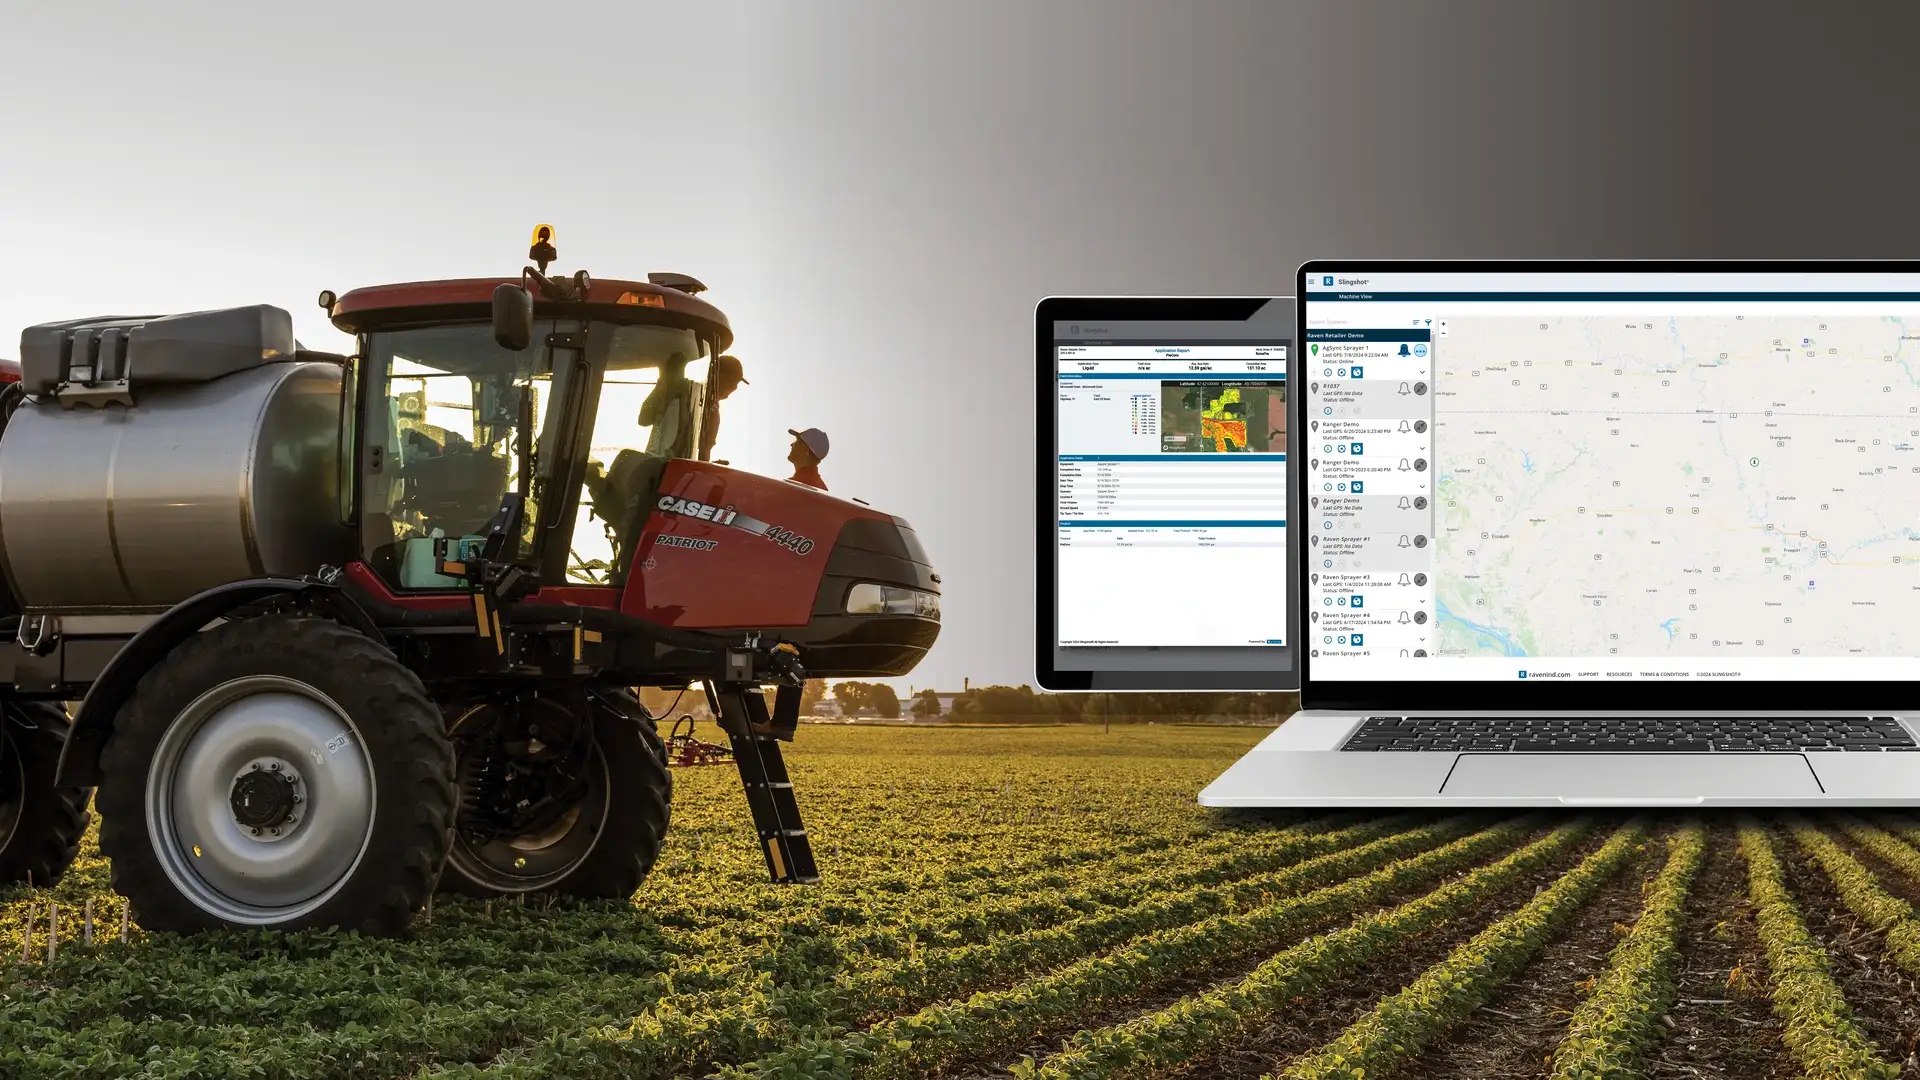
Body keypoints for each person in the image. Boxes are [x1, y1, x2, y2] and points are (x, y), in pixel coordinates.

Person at [698, 355, 748, 460]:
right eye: (732, 380)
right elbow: (704, 448)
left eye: (736, 382)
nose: (734, 387)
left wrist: (709, 465)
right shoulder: (703, 402)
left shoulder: (710, 403)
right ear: (717, 375)